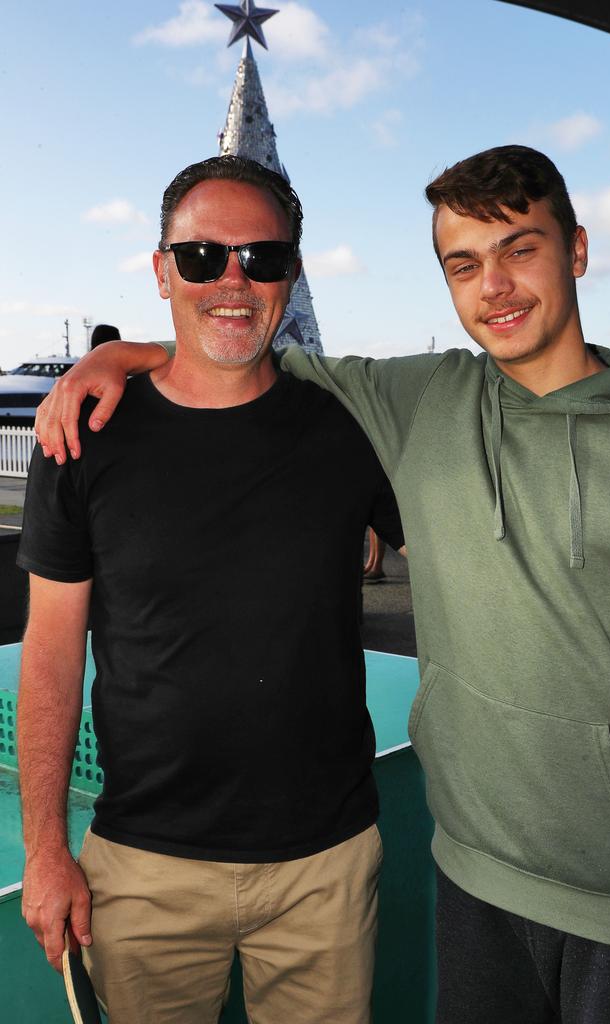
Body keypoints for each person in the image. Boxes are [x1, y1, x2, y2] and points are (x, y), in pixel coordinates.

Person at [35, 145, 610, 1024]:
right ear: (162, 269)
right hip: (440, 876)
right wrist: (120, 357)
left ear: (575, 249)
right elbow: (238, 352)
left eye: (520, 249)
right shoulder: (416, 404)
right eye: (465, 263)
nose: (495, 285)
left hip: (547, 891)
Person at [18, 154, 404, 1024]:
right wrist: (46, 848)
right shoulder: (85, 437)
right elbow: (50, 649)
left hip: (326, 869)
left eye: (262, 258)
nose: (233, 280)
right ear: (161, 271)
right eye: (201, 258)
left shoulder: (348, 428)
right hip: (145, 867)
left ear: (292, 274)